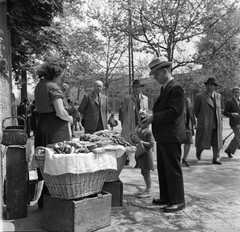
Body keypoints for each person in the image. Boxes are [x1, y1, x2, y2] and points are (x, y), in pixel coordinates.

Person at [141, 56, 186, 213]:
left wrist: (153, 117)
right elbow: (165, 110)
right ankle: (167, 196)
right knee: (163, 168)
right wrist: (150, 115)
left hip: (171, 135)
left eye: (157, 74)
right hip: (164, 135)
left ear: (165, 71)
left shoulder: (176, 88)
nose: (155, 78)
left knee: (172, 169)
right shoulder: (166, 88)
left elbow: (175, 111)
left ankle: (178, 200)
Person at [34, 56, 73, 209]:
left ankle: (44, 201)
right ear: (56, 72)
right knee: (57, 163)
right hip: (55, 129)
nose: (62, 75)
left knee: (44, 164)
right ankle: (56, 202)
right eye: (61, 72)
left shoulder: (40, 85)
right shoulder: (53, 87)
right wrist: (70, 119)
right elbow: (60, 111)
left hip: (42, 126)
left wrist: (62, 91)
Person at [194, 77, 223, 165]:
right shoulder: (199, 96)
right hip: (205, 124)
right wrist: (201, 119)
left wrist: (220, 119)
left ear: (215, 87)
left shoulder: (218, 96)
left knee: (216, 142)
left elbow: (219, 109)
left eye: (211, 85)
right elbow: (196, 110)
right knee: (203, 142)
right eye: (208, 85)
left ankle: (216, 158)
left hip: (216, 123)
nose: (209, 87)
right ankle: (199, 151)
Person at [130, 109, 155, 198]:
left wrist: (141, 141)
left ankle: (149, 189)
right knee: (143, 172)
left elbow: (151, 144)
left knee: (146, 172)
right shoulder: (138, 128)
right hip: (140, 153)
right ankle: (147, 188)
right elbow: (135, 139)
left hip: (146, 154)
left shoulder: (148, 131)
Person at [223, 86, 240, 158]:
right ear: (233, 93)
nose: (237, 94)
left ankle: (229, 150)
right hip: (234, 123)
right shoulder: (229, 102)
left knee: (236, 137)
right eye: (235, 92)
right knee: (239, 136)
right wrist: (232, 114)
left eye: (238, 92)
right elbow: (225, 112)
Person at [182, 96, 196, 167]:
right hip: (179, 126)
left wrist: (194, 122)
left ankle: (185, 158)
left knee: (188, 142)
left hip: (188, 125)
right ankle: (176, 159)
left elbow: (191, 112)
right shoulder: (174, 100)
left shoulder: (188, 100)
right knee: (177, 143)